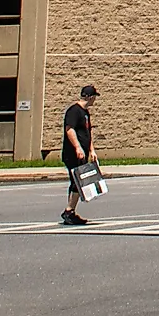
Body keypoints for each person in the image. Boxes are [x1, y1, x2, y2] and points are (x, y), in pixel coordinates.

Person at [60, 84, 99, 226]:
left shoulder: (85, 112)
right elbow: (69, 129)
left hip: (82, 153)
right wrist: (77, 147)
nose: (95, 99)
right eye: (94, 96)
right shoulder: (74, 111)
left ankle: (70, 211)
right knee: (77, 182)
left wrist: (92, 150)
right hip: (72, 154)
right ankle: (68, 211)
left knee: (77, 182)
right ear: (89, 97)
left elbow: (88, 133)